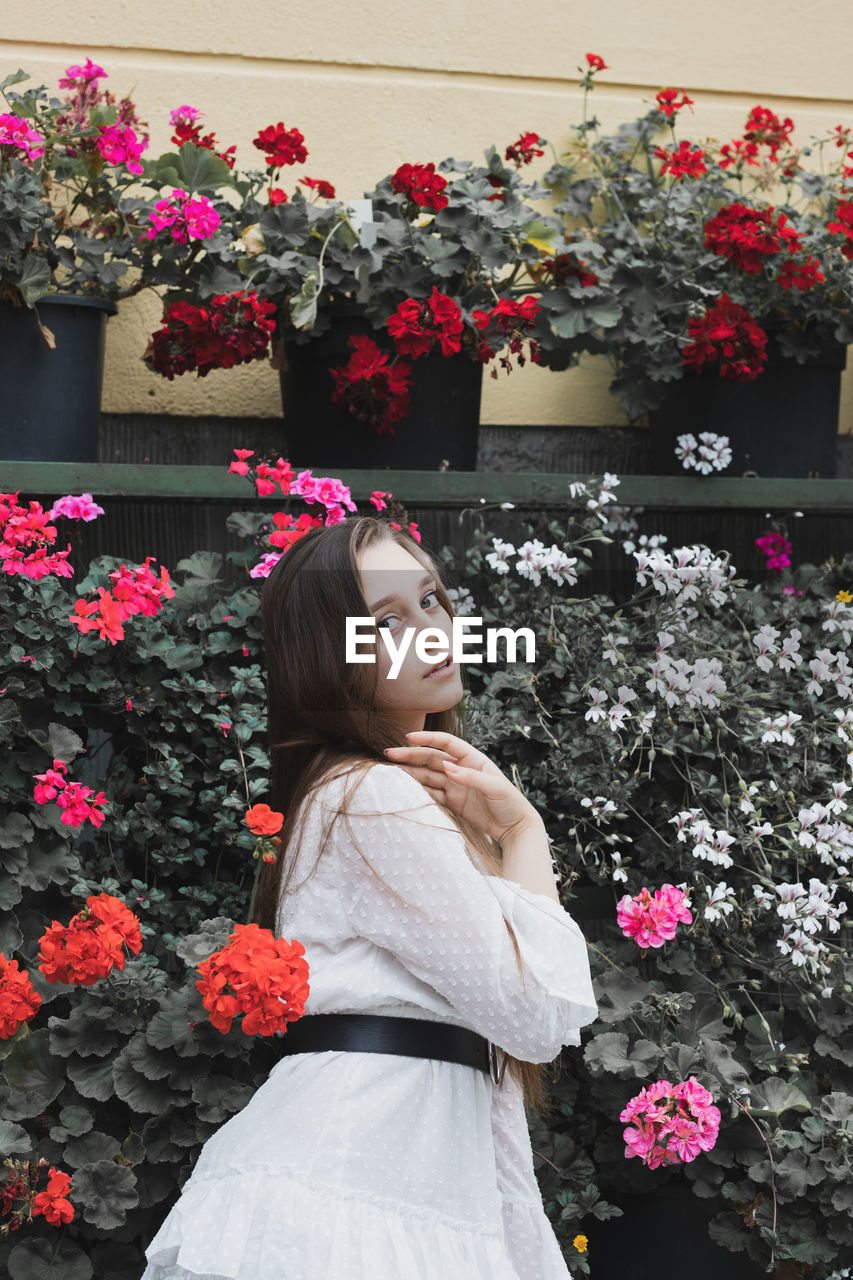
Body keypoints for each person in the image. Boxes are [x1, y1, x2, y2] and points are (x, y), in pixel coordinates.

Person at [142, 514, 598, 1280]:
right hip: (360, 1174)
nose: (430, 630)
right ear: (332, 654)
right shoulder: (372, 797)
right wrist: (523, 833)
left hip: (383, 1167)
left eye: (431, 601)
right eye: (386, 620)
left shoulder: (362, 795)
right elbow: (534, 1017)